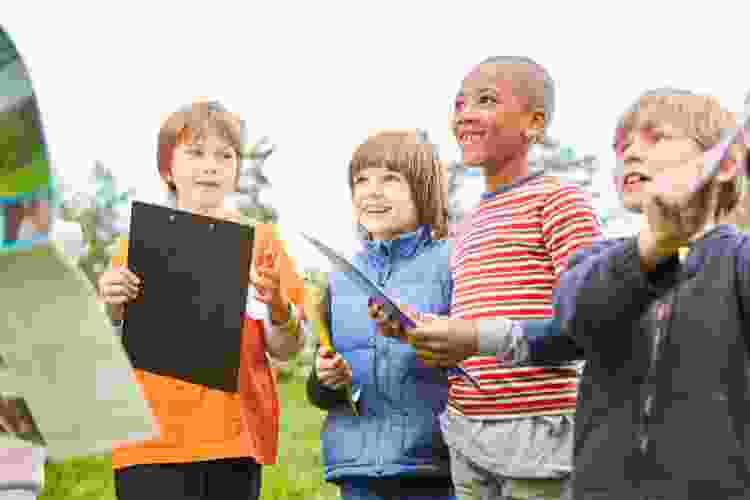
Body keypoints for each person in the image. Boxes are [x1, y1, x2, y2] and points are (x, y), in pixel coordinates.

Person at [407, 88, 750, 499]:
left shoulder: (739, 261)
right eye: (622, 147)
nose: (631, 154)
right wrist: (653, 247)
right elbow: (574, 316)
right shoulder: (599, 259)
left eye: (655, 137)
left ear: (727, 163)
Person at [374, 57, 602, 500]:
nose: (465, 114)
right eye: (459, 104)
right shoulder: (469, 221)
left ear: (534, 123)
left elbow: (589, 319)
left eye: (486, 101)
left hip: (538, 435)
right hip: (468, 433)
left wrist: (475, 337)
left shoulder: (559, 202)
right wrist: (413, 329)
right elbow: (469, 325)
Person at [97, 100, 307, 500]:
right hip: (148, 444)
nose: (210, 166)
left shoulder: (262, 244)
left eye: (224, 155)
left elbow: (288, 349)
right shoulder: (137, 245)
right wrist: (110, 305)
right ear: (167, 167)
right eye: (195, 153)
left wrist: (279, 309)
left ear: (236, 171)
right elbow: (109, 345)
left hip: (234, 442)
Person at [306, 130, 457, 500]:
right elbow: (321, 393)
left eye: (390, 179)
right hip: (357, 472)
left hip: (432, 469)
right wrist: (326, 379)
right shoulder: (341, 278)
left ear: (423, 190)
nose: (372, 191)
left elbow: (475, 359)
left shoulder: (453, 262)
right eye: (361, 180)